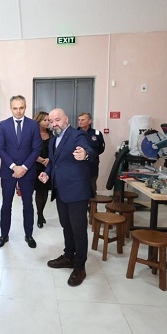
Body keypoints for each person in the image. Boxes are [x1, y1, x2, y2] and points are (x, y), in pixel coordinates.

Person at [39, 108, 96, 287]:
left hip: (77, 192)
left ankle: (80, 266)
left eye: (57, 120)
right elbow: (53, 163)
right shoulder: (53, 139)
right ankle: (69, 256)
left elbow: (90, 151)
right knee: (66, 226)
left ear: (66, 119)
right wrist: (47, 173)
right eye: (51, 121)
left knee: (78, 230)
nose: (54, 124)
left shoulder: (77, 135)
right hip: (60, 191)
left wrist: (85, 154)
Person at [0, 95, 42, 249]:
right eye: (15, 108)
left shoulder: (33, 125)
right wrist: (14, 166)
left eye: (21, 107)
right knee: (6, 204)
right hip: (8, 171)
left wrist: (24, 168)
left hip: (27, 172)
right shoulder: (3, 125)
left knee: (28, 204)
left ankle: (29, 235)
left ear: (25, 107)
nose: (18, 111)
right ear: (11, 108)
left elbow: (36, 149)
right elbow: (0, 149)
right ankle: (4, 234)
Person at [78, 112, 105, 195]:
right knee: (78, 188)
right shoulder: (74, 133)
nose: (80, 122)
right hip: (78, 166)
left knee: (92, 188)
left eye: (83, 120)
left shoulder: (97, 134)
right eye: (79, 120)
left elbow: (101, 148)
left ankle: (92, 203)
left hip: (92, 165)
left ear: (89, 121)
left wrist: (92, 155)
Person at [33, 111, 51, 228]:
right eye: (45, 120)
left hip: (48, 166)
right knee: (39, 191)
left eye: (49, 120)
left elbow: (55, 149)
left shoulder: (52, 134)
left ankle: (41, 212)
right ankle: (39, 215)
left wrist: (49, 159)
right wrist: (38, 159)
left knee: (45, 191)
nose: (47, 122)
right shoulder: (33, 134)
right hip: (36, 166)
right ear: (38, 121)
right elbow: (29, 149)